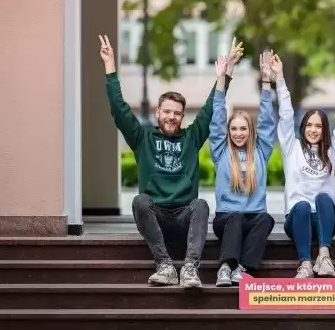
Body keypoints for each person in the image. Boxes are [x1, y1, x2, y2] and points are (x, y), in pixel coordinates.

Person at [100, 34, 242, 289]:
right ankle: (164, 266)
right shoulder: (142, 137)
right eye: (167, 111)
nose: (172, 117)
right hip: (155, 217)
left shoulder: (191, 137)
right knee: (140, 201)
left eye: (177, 113)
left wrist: (226, 73)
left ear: (182, 116)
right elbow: (119, 110)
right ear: (157, 113)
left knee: (200, 204)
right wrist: (110, 67)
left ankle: (189, 269)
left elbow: (210, 108)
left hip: (184, 218)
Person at [272, 51, 335, 278]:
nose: (313, 129)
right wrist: (279, 78)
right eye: (309, 125)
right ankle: (305, 264)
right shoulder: (292, 147)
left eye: (318, 126)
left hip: (325, 219)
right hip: (297, 220)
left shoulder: (332, 150)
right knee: (300, 205)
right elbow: (286, 115)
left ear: (324, 130)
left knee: (323, 198)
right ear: (303, 127)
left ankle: (324, 256)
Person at [209, 51, 277, 287]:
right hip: (226, 220)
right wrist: (221, 79)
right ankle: (225, 267)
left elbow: (267, 121)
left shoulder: (261, 151)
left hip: (253, 219)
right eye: (234, 129)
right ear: (229, 132)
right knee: (236, 216)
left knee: (266, 219)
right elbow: (217, 118)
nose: (238, 133)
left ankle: (242, 268)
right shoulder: (220, 152)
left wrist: (267, 81)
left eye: (243, 129)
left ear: (250, 131)